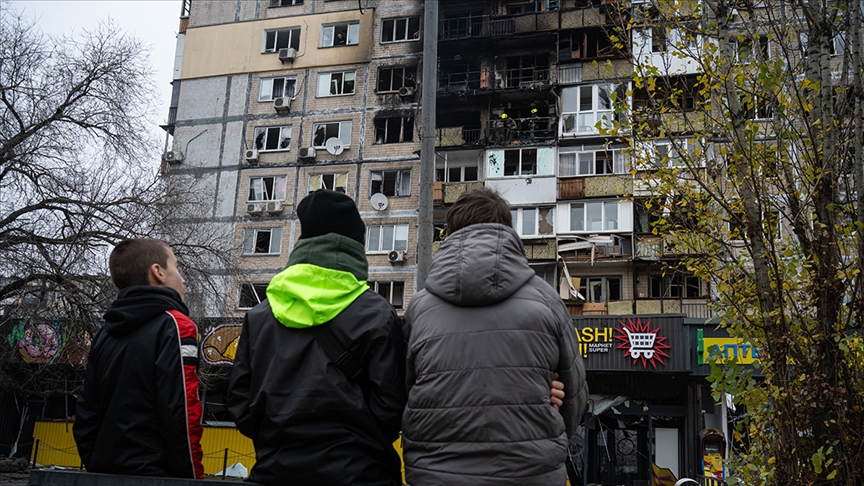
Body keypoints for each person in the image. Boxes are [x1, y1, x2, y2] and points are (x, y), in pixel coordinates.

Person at [402, 187, 588, 486]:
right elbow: (575, 396)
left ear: (449, 233)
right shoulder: (547, 300)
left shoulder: (419, 308)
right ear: (507, 229)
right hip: (530, 473)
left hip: (436, 474)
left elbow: (407, 390)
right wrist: (544, 420)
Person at [227, 189, 406, 486]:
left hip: (275, 471)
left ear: (303, 242)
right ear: (356, 245)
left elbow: (240, 403)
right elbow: (391, 406)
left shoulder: (259, 316)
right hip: (361, 474)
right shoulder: (377, 313)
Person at [74, 238, 204, 479]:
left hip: (104, 473)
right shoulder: (176, 326)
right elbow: (183, 413)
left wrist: (97, 466)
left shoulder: (104, 334)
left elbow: (86, 412)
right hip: (157, 474)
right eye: (176, 267)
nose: (183, 278)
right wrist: (192, 477)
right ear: (158, 272)